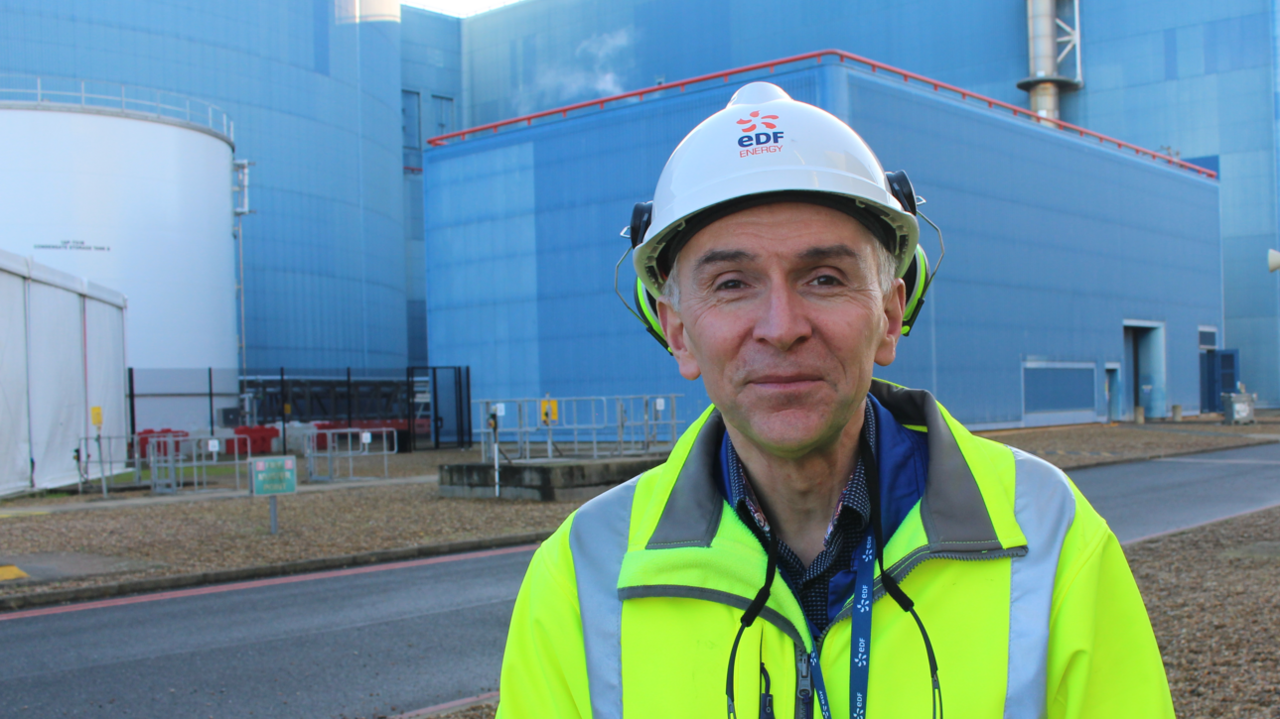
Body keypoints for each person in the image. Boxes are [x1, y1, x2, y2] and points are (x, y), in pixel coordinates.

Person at [496, 82, 1174, 719]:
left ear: (890, 314)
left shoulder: (1049, 540)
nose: (782, 325)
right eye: (732, 283)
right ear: (678, 331)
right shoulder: (580, 579)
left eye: (823, 277)